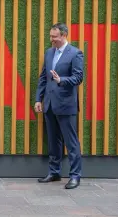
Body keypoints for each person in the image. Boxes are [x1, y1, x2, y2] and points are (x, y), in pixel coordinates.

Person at [35, 23, 83, 189]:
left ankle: (75, 176)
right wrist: (38, 99)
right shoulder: (49, 53)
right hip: (49, 104)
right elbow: (43, 78)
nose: (51, 40)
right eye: (51, 36)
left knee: (71, 142)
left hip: (66, 104)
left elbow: (78, 78)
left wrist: (62, 80)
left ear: (64, 35)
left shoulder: (75, 53)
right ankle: (54, 172)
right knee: (53, 141)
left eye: (54, 37)